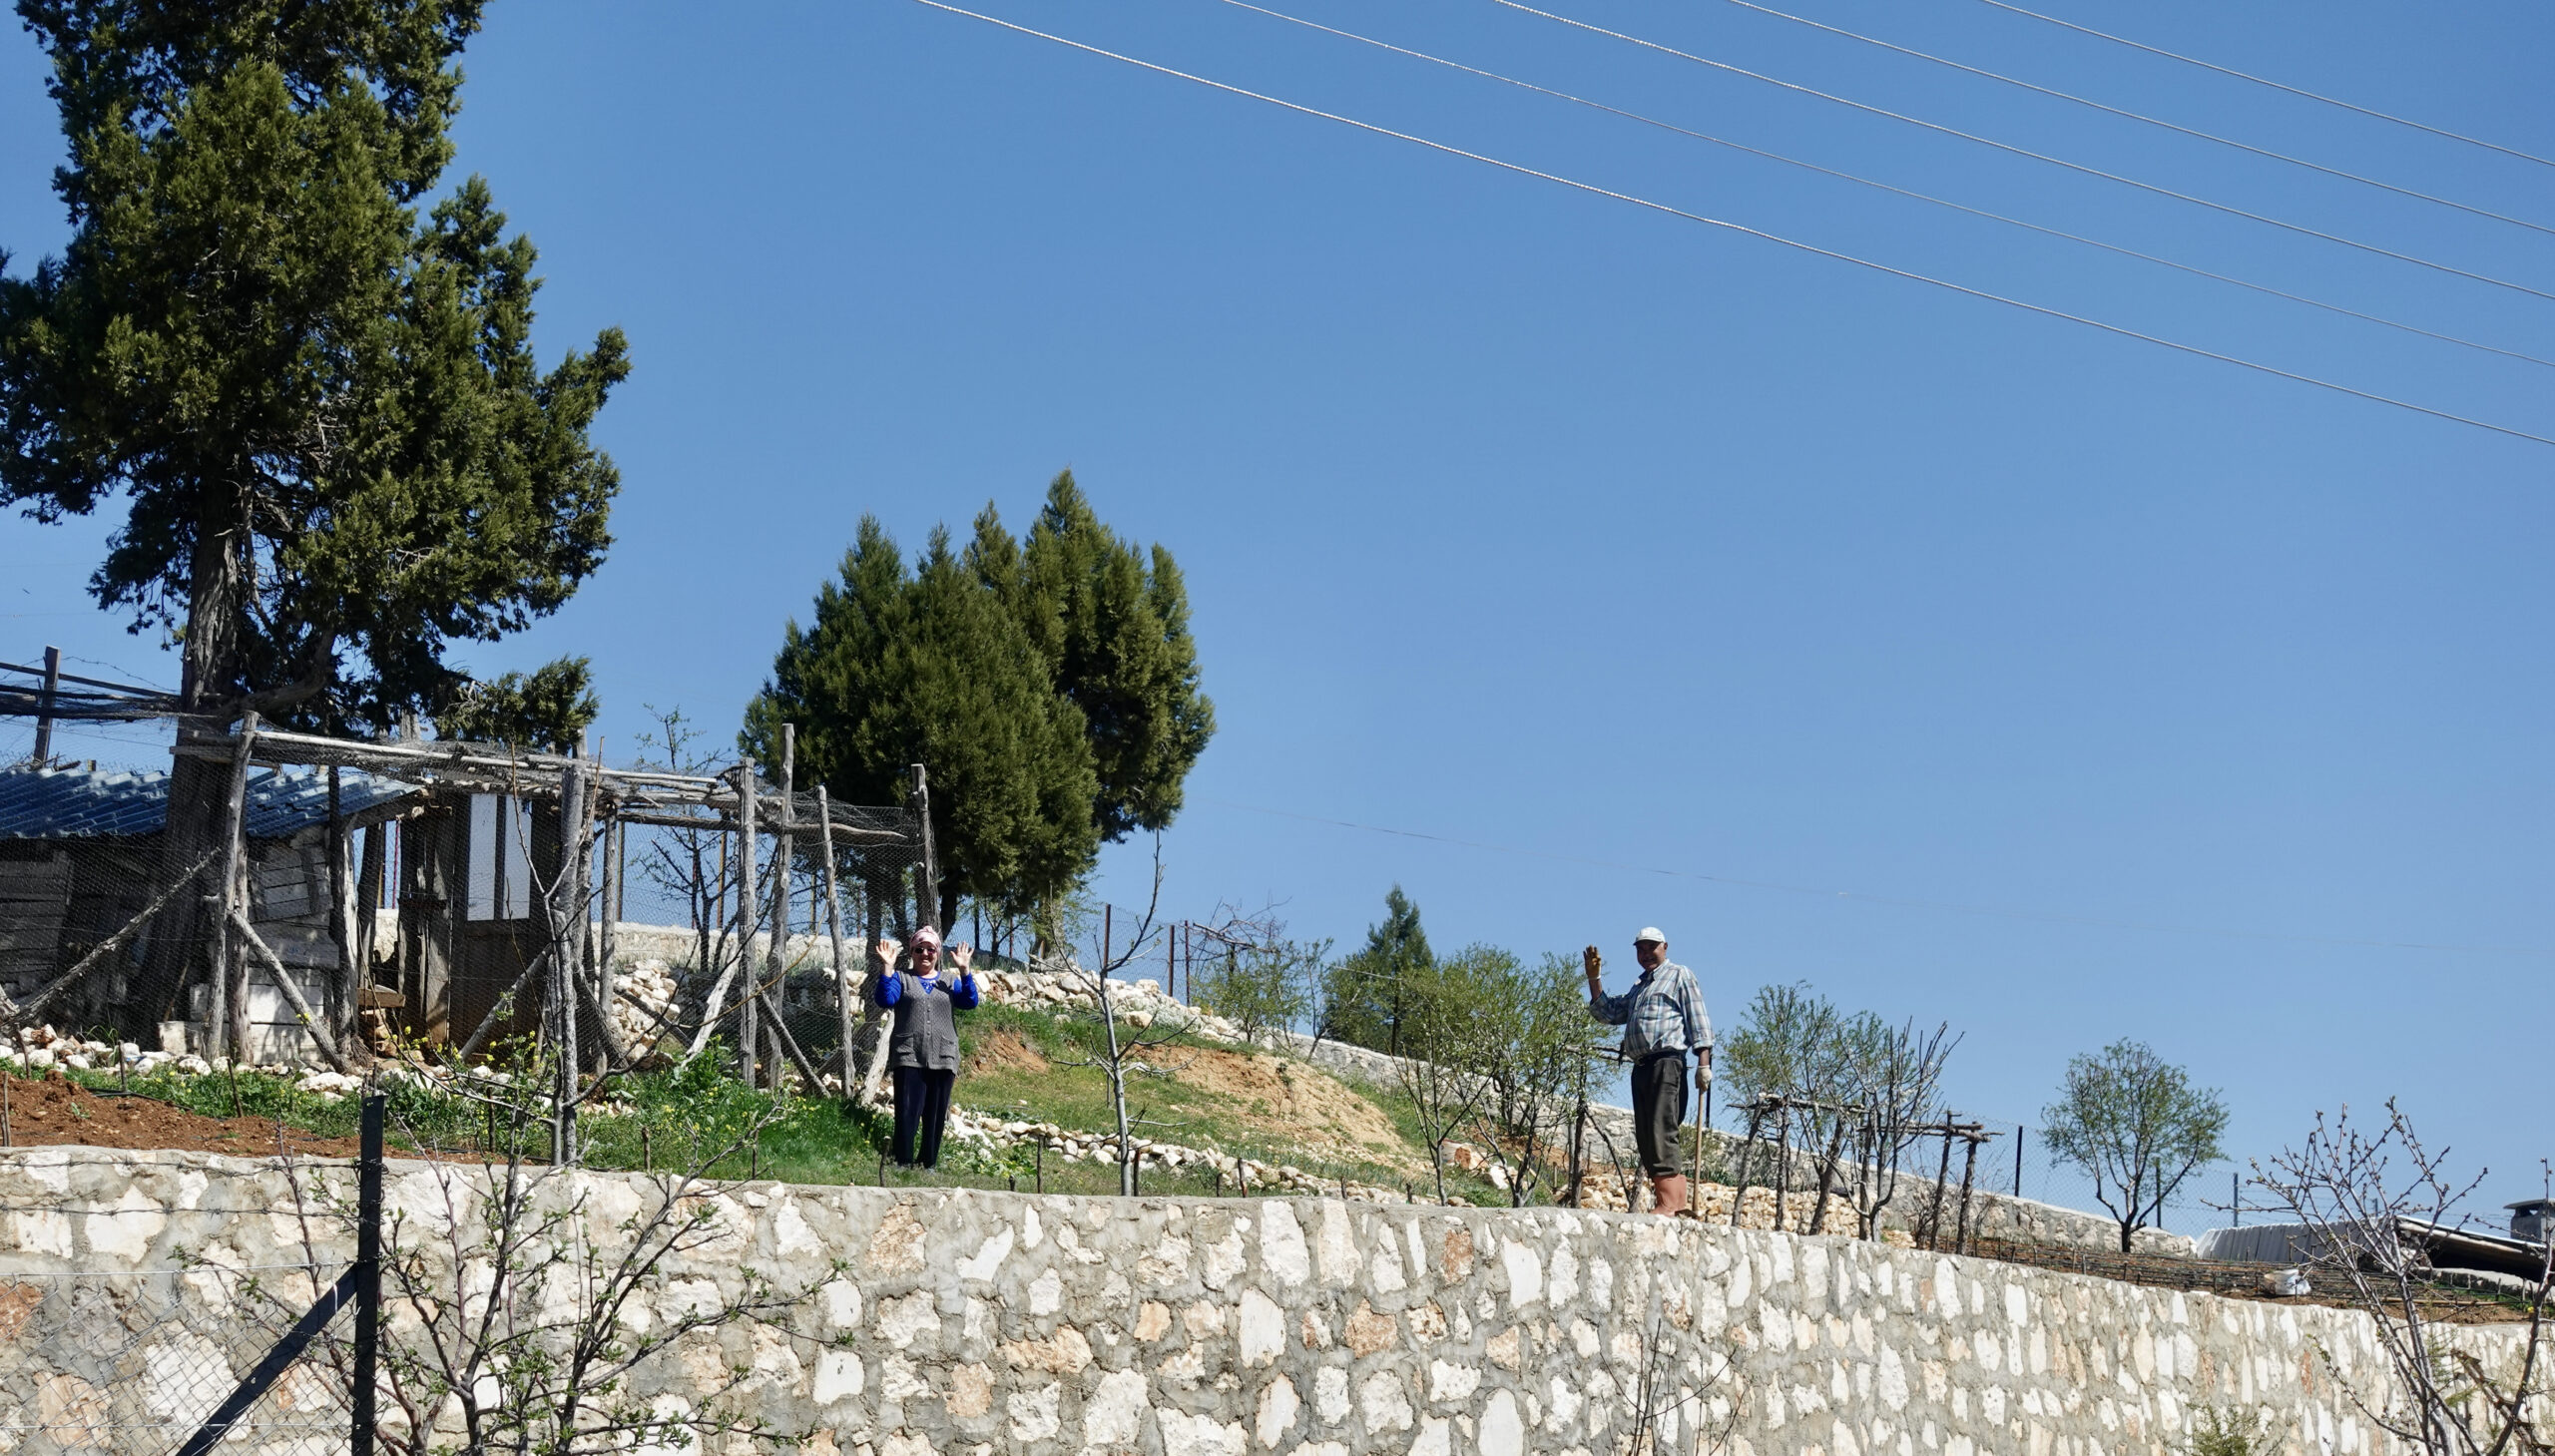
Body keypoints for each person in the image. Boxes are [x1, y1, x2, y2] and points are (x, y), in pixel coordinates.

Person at [1585, 926, 1712, 1216]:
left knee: (1661, 1127)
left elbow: (1698, 1019)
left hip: (1667, 1061)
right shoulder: (1641, 986)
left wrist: (1703, 1063)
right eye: (1640, 949)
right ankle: (1670, 1203)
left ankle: (1671, 1203)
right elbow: (1609, 1012)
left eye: (1651, 947)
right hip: (1641, 1064)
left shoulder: (1679, 975)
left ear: (1664, 946)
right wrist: (1594, 979)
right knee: (1645, 1133)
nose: (1645, 954)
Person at [871, 925, 980, 1168]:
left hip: (944, 1055)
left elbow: (969, 1002)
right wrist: (887, 968)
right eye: (919, 949)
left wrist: (965, 971)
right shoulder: (902, 979)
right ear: (912, 952)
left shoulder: (949, 981)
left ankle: (928, 1163)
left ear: (938, 953)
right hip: (909, 1054)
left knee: (935, 1115)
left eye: (931, 949)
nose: (925, 954)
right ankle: (903, 1161)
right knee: (907, 1111)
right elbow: (885, 999)